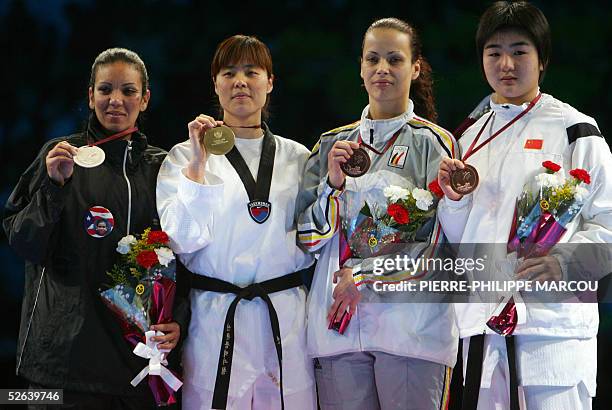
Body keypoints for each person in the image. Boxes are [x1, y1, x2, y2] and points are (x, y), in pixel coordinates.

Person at [436, 2, 612, 409]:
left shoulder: (574, 129)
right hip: (482, 329)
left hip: (552, 332)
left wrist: (566, 263)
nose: (506, 64)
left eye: (519, 51)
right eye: (494, 52)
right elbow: (461, 240)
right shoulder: (467, 137)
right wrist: (456, 201)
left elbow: (607, 224)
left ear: (542, 59)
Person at [3, 48, 185, 409]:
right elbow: (24, 243)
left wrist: (177, 321)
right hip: (59, 369)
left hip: (137, 367)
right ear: (90, 96)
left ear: (145, 99)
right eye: (105, 90)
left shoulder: (163, 169)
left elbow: (186, 258)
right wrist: (53, 190)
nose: (115, 100)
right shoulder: (58, 156)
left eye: (128, 91)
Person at [297, 18, 458, 410]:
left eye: (394, 59)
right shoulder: (332, 144)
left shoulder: (434, 143)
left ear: (415, 68)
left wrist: (363, 276)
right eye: (373, 59)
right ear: (361, 67)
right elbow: (307, 239)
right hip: (338, 326)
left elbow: (434, 242)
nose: (382, 68)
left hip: (412, 329)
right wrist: (333, 185)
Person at [156, 35, 316, 409]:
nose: (240, 81)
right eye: (229, 73)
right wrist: (198, 165)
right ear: (215, 84)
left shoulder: (299, 157)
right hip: (215, 319)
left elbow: (319, 238)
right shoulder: (183, 155)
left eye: (251, 72)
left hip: (287, 317)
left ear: (270, 82)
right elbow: (180, 241)